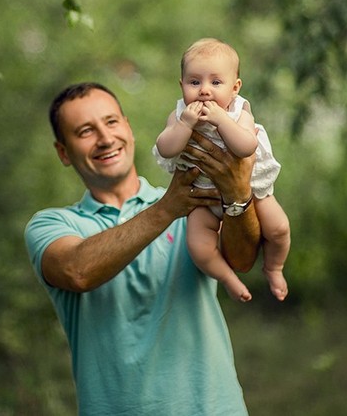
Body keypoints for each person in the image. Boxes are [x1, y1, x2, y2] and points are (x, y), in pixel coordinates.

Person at [25, 82, 261, 416]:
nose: (105, 138)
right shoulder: (51, 225)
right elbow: (76, 271)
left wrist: (239, 197)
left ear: (128, 128)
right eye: (85, 131)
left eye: (111, 122)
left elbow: (242, 259)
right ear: (64, 152)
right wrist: (167, 208)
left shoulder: (190, 201)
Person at [154, 38, 291, 302]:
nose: (204, 90)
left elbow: (246, 146)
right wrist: (185, 125)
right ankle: (228, 278)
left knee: (280, 228)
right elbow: (165, 148)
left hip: (250, 190)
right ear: (181, 85)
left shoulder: (240, 112)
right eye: (194, 82)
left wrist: (220, 120)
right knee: (198, 246)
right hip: (201, 198)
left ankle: (274, 268)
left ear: (235, 88)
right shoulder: (180, 115)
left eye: (216, 83)